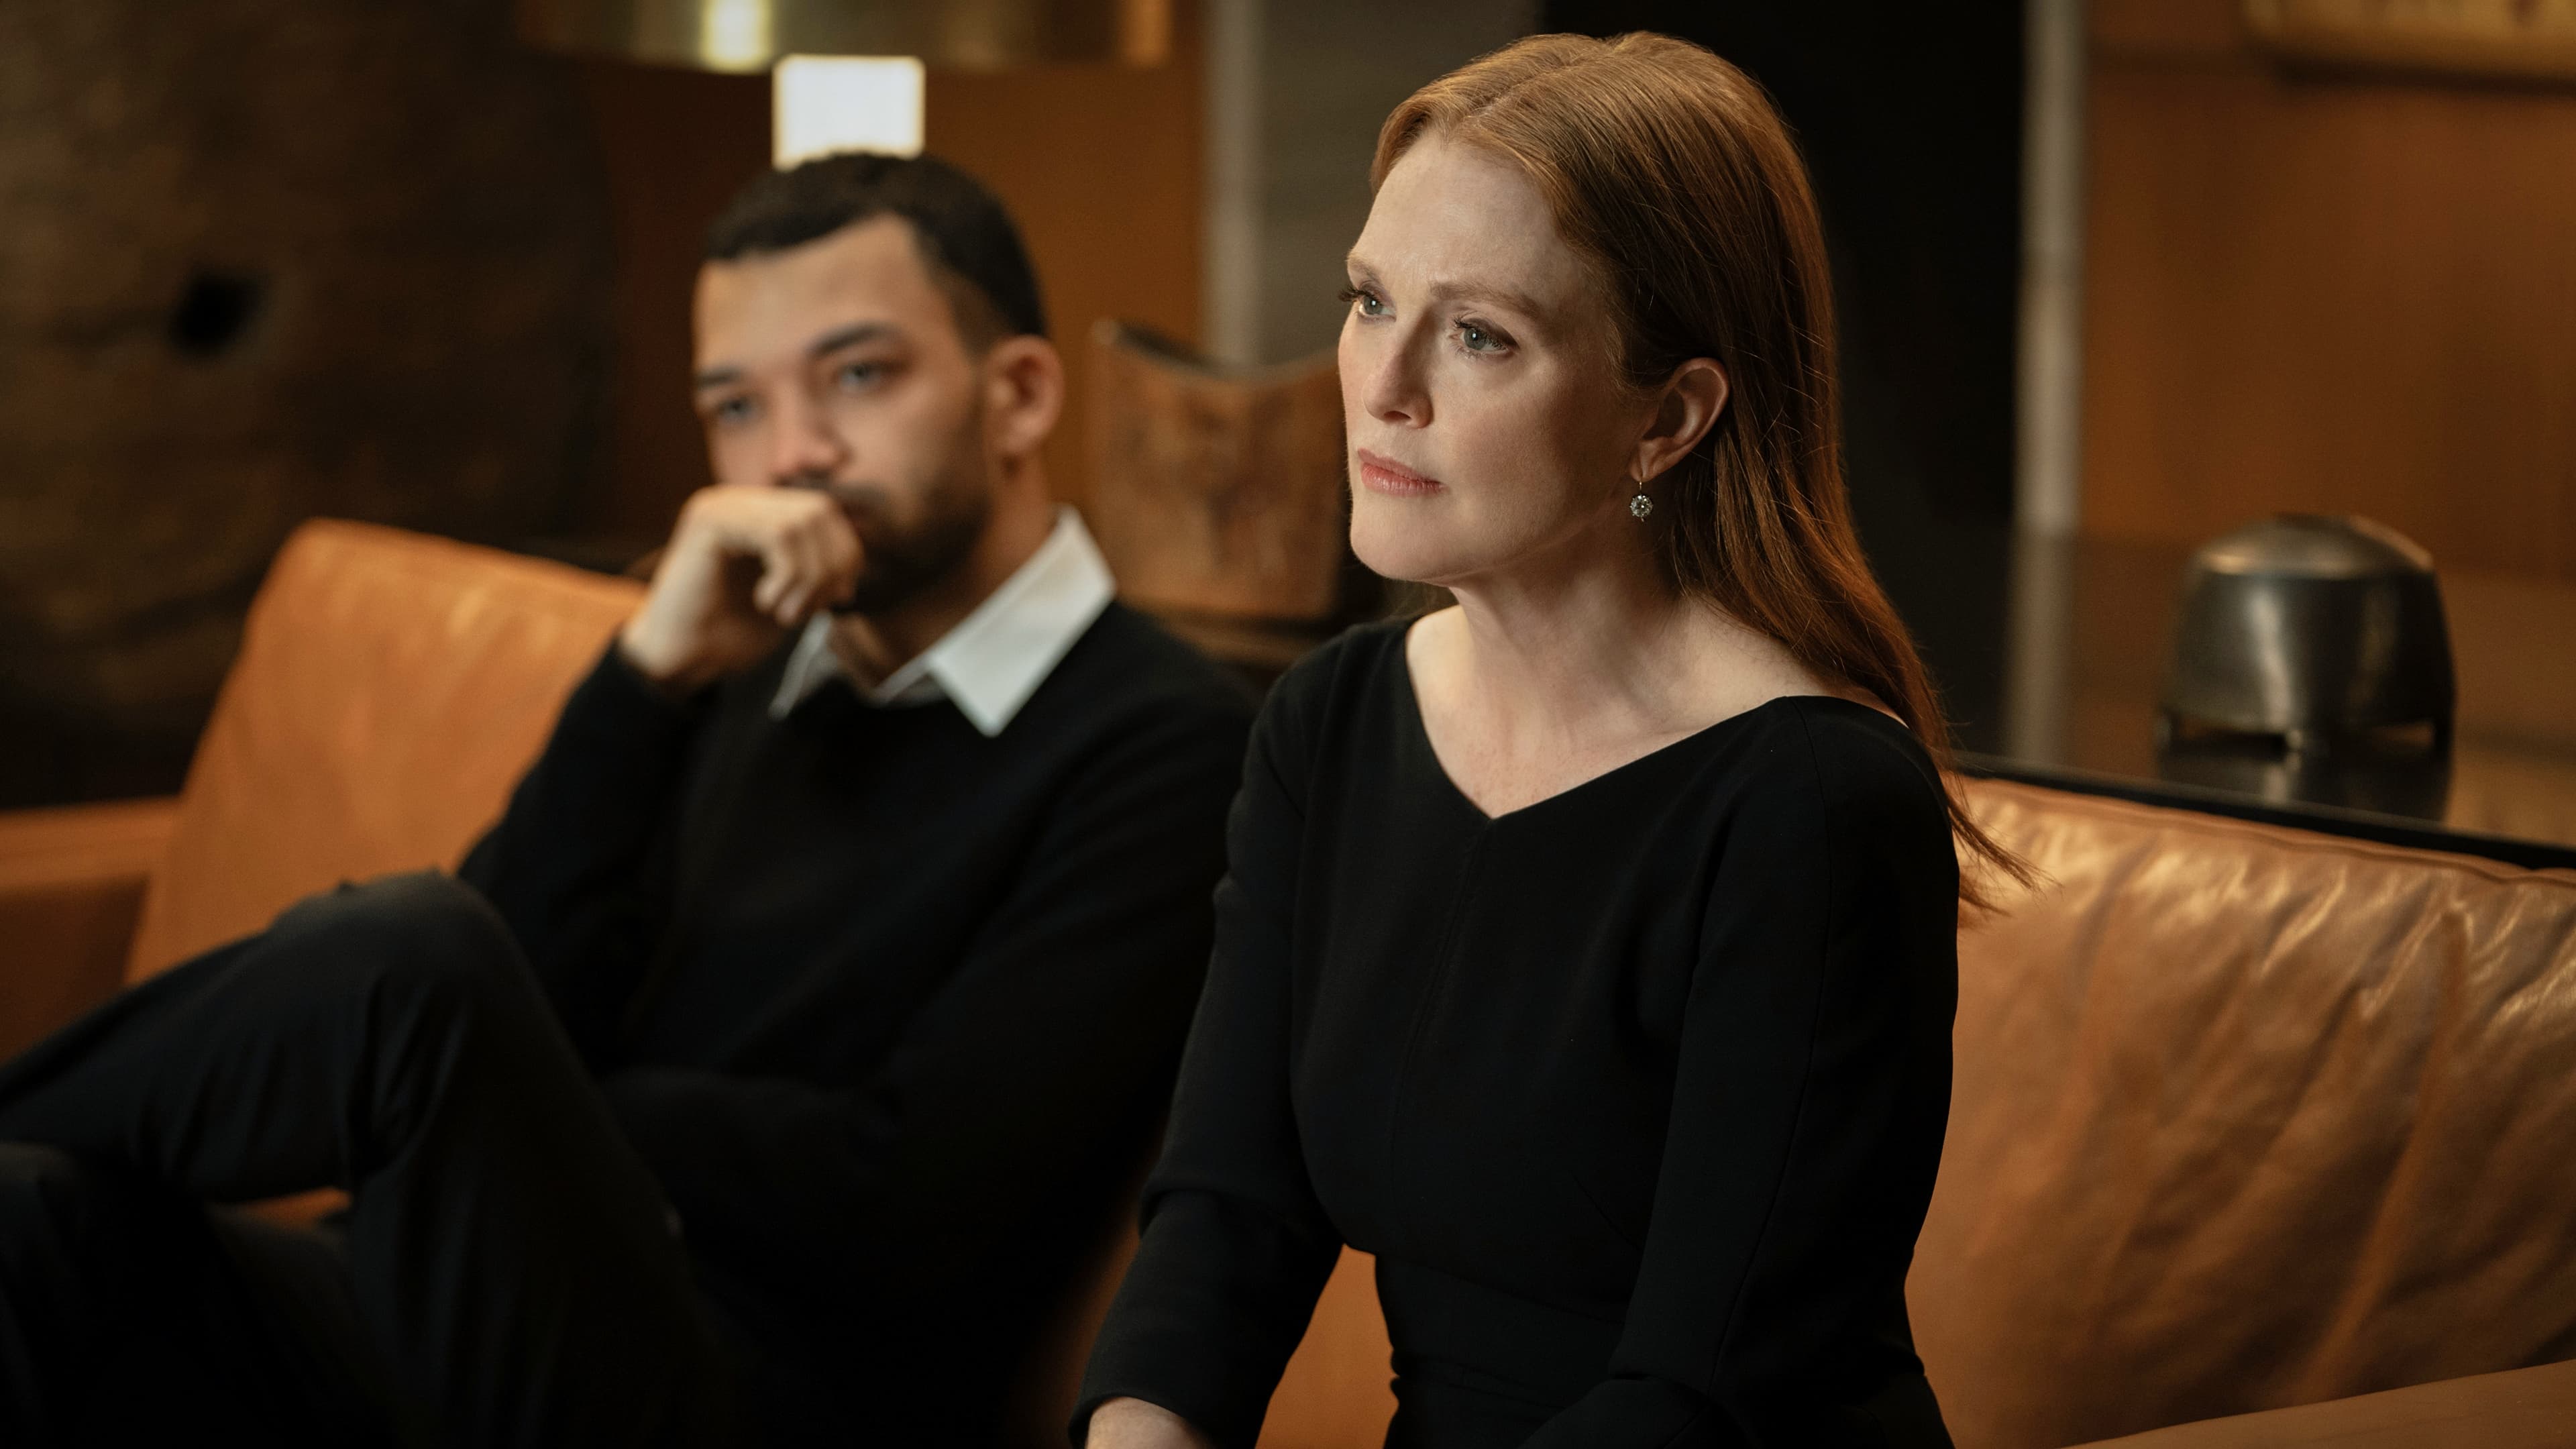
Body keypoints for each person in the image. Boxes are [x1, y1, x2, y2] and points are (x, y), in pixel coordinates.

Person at [0, 152, 1253, 1446]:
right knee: (33, 1215)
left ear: (1020, 396)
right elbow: (523, 966)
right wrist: (647, 682)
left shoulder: (1170, 745)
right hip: (472, 1292)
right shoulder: (731, 667)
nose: (793, 456)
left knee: (412, 959)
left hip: (751, 1390)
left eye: (859, 377)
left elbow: (913, 1195)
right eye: (736, 407)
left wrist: (532, 1087)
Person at [1075, 33, 2026, 1449]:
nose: (1382, 386)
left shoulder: (1812, 803)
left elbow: (1702, 1397)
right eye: (1370, 300)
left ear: (1670, 418)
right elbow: (1229, 1215)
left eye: (1481, 336)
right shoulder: (1331, 722)